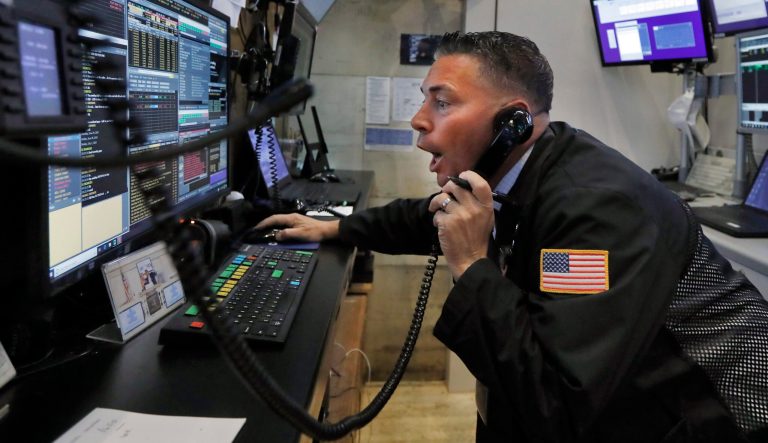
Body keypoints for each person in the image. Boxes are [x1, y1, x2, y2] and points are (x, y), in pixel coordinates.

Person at [256, 31, 768, 442]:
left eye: (442, 102)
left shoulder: (596, 216)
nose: (417, 120)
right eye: (424, 100)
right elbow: (426, 216)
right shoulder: (515, 171)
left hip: (678, 422)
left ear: (512, 121)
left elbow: (556, 404)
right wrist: (336, 227)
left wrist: (472, 265)